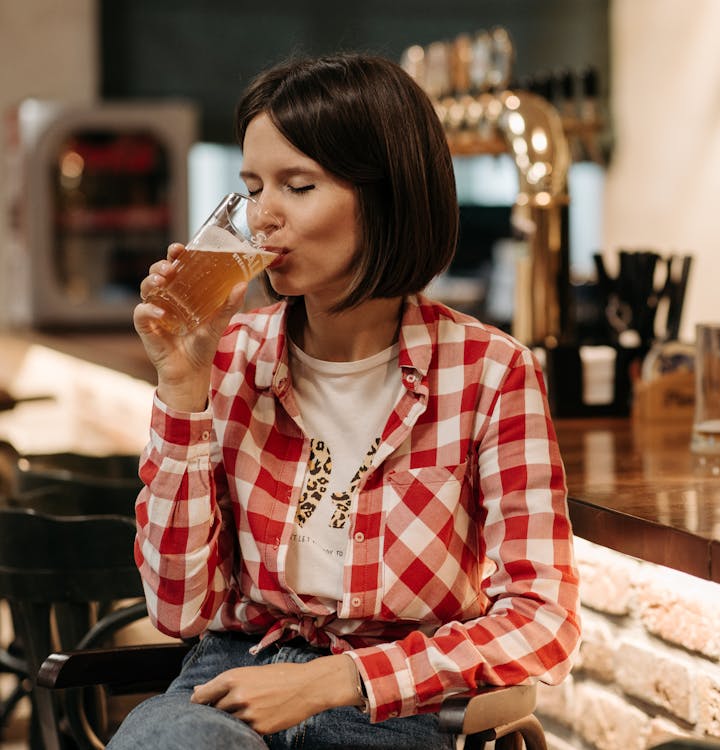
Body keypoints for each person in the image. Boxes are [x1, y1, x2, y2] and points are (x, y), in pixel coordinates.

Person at [109, 52, 581, 750]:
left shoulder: (488, 371)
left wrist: (344, 679)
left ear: (387, 195)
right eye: (252, 187)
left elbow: (544, 622)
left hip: (396, 696)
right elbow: (180, 610)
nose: (262, 218)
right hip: (238, 667)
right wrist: (183, 390)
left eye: (297, 186)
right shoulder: (232, 356)